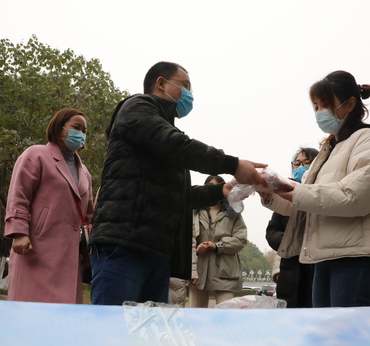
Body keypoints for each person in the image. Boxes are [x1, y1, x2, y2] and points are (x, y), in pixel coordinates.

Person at [89, 61, 266, 305]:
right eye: (185, 86)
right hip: (124, 243)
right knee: (113, 329)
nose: (189, 94)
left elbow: (179, 195)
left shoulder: (165, 135)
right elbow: (179, 146)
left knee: (149, 333)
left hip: (155, 250)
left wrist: (220, 190)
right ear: (161, 83)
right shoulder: (137, 107)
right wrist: (232, 164)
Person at [261, 70, 370, 308]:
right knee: (327, 334)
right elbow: (309, 203)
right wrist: (271, 193)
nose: (320, 112)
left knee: (345, 336)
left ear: (349, 104)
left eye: (325, 105)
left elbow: (354, 197)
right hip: (327, 253)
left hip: (358, 255)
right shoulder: (330, 149)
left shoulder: (368, 140)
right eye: (316, 106)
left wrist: (295, 191)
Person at [5, 108, 94, 304]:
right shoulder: (36, 154)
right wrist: (19, 232)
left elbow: (88, 215)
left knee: (62, 320)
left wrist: (89, 244)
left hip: (69, 255)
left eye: (84, 131)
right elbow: (19, 195)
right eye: (76, 128)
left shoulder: (85, 173)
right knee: (30, 315)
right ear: (58, 127)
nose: (81, 134)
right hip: (35, 249)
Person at [265, 147, 318, 308]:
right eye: (297, 163)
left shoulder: (322, 193)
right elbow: (271, 232)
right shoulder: (285, 196)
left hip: (316, 268)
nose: (300, 167)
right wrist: (292, 240)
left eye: (306, 163)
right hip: (289, 271)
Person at [189, 176, 248, 307]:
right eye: (208, 187)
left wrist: (217, 246)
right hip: (199, 273)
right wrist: (199, 248)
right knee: (196, 316)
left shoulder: (234, 213)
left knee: (227, 317)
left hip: (225, 273)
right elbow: (188, 239)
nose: (211, 191)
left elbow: (241, 239)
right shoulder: (194, 212)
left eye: (215, 187)